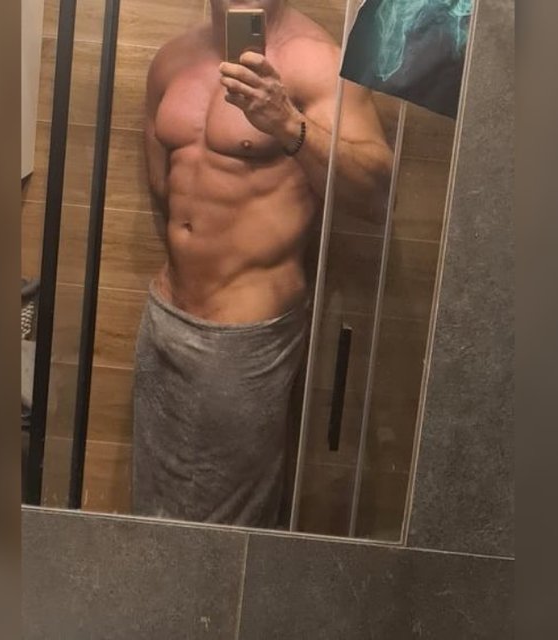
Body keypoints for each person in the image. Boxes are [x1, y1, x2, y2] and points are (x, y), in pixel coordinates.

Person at [133, 0, 392, 527]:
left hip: (245, 336)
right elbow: (165, 184)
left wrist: (288, 124)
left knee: (229, 529)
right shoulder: (171, 60)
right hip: (164, 320)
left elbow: (376, 195)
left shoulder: (318, 62)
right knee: (151, 511)